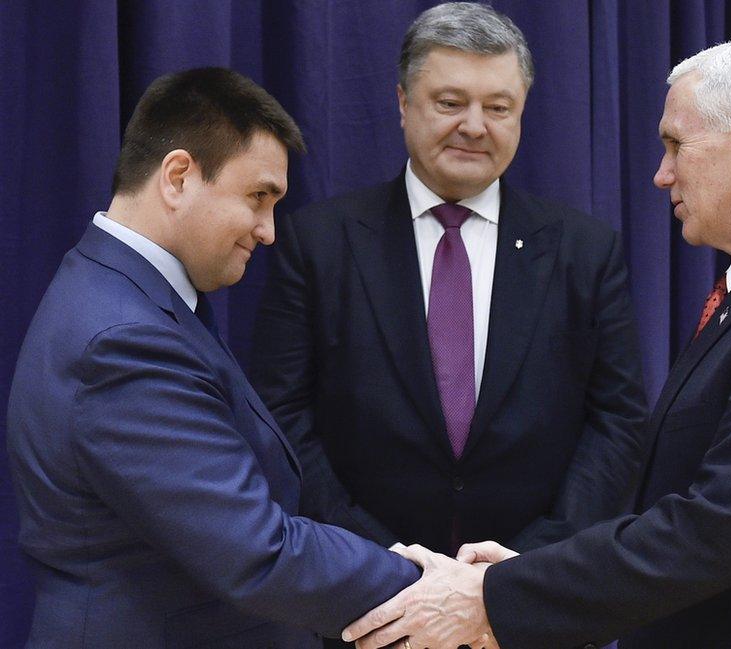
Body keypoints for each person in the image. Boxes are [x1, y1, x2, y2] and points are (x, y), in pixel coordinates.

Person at [342, 36, 731, 649]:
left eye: (676, 145)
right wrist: (525, 576)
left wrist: (494, 598)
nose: (661, 174)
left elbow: (717, 529)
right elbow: (689, 506)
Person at [249, 0, 649, 614]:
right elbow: (281, 417)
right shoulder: (317, 244)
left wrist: (516, 574)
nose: (474, 125)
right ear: (403, 104)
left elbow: (617, 423)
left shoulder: (585, 252)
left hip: (530, 602)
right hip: (364, 603)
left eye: (498, 107)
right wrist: (385, 564)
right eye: (450, 102)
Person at [5, 67, 420, 649]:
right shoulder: (124, 340)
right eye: (258, 197)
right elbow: (258, 551)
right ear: (178, 177)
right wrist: (431, 585)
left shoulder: (127, 295)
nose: (269, 231)